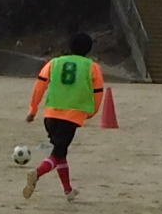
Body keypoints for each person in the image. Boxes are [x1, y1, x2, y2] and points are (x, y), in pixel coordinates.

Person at [21, 33, 104, 203]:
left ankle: (68, 190)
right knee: (57, 153)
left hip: (51, 115)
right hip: (71, 117)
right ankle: (37, 173)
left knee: (61, 152)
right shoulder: (92, 67)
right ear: (89, 49)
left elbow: (40, 85)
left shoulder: (54, 63)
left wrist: (33, 109)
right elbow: (98, 93)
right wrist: (92, 112)